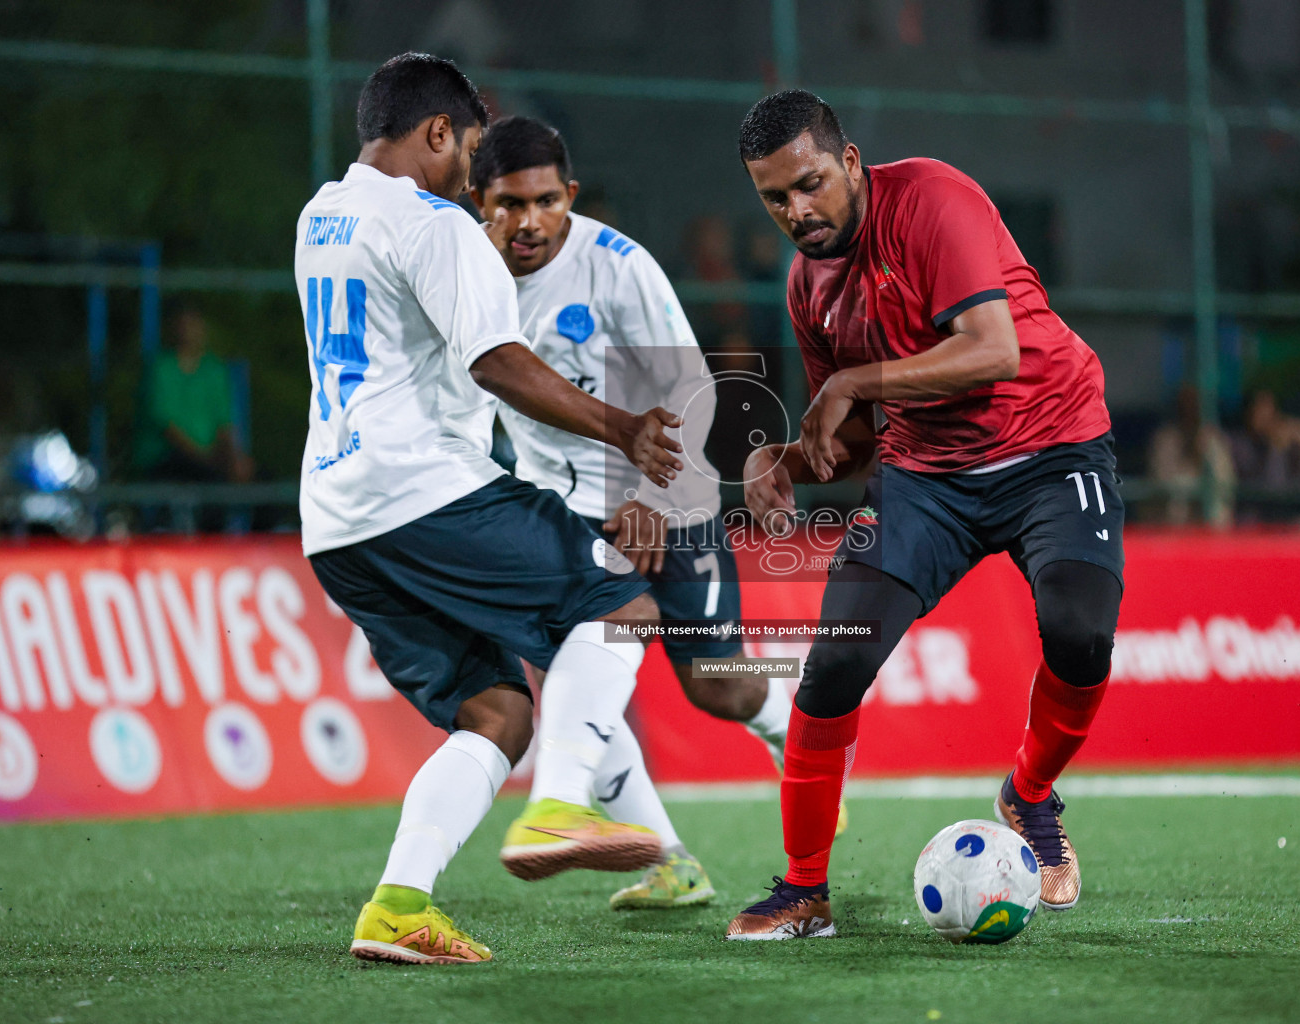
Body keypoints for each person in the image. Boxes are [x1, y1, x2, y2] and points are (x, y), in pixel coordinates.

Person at [297, 53, 685, 965]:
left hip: (338, 522)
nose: (472, 173)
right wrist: (623, 428)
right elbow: (497, 362)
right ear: (438, 133)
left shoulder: (322, 214)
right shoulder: (436, 224)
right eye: (468, 148)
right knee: (622, 608)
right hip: (424, 490)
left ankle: (397, 907)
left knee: (497, 712)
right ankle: (559, 808)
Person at [724, 90, 1122, 939]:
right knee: (833, 666)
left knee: (1081, 635)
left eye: (811, 182)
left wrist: (848, 385)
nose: (798, 209)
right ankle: (803, 891)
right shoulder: (809, 286)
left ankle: (1030, 793)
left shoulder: (933, 200)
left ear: (852, 162)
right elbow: (856, 439)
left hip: (1052, 448)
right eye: (775, 197)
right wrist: (785, 464)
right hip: (926, 481)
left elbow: (993, 350)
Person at [467, 116, 841, 911]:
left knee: (719, 686)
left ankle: (799, 725)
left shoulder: (616, 268)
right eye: (507, 205)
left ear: (568, 195)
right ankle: (669, 861)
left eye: (544, 202)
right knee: (579, 672)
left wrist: (649, 499)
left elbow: (687, 390)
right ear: (479, 204)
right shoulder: (466, 277)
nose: (527, 222)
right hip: (558, 512)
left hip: (670, 495)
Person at [135, 304, 254, 484]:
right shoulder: (160, 369)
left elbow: (225, 425)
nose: (187, 331)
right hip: (166, 458)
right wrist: (205, 458)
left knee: (262, 479)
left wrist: (234, 459)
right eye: (183, 325)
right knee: (209, 478)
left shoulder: (214, 369)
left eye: (193, 324)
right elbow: (167, 428)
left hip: (208, 459)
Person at [1147, 383, 1234, 527]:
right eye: (1186, 404)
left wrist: (1201, 455)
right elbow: (1162, 481)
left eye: (1195, 404)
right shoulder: (1166, 438)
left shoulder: (1213, 439)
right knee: (1176, 501)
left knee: (1218, 505)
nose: (1190, 410)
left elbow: (1225, 480)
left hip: (1209, 519)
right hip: (1175, 516)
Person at [1228, 388, 1300, 523]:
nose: (1263, 416)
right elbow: (1268, 490)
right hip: (1252, 523)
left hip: (1289, 523)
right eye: (1258, 409)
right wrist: (1274, 450)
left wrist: (1296, 443)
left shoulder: (1291, 445)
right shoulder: (1239, 445)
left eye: (1267, 410)